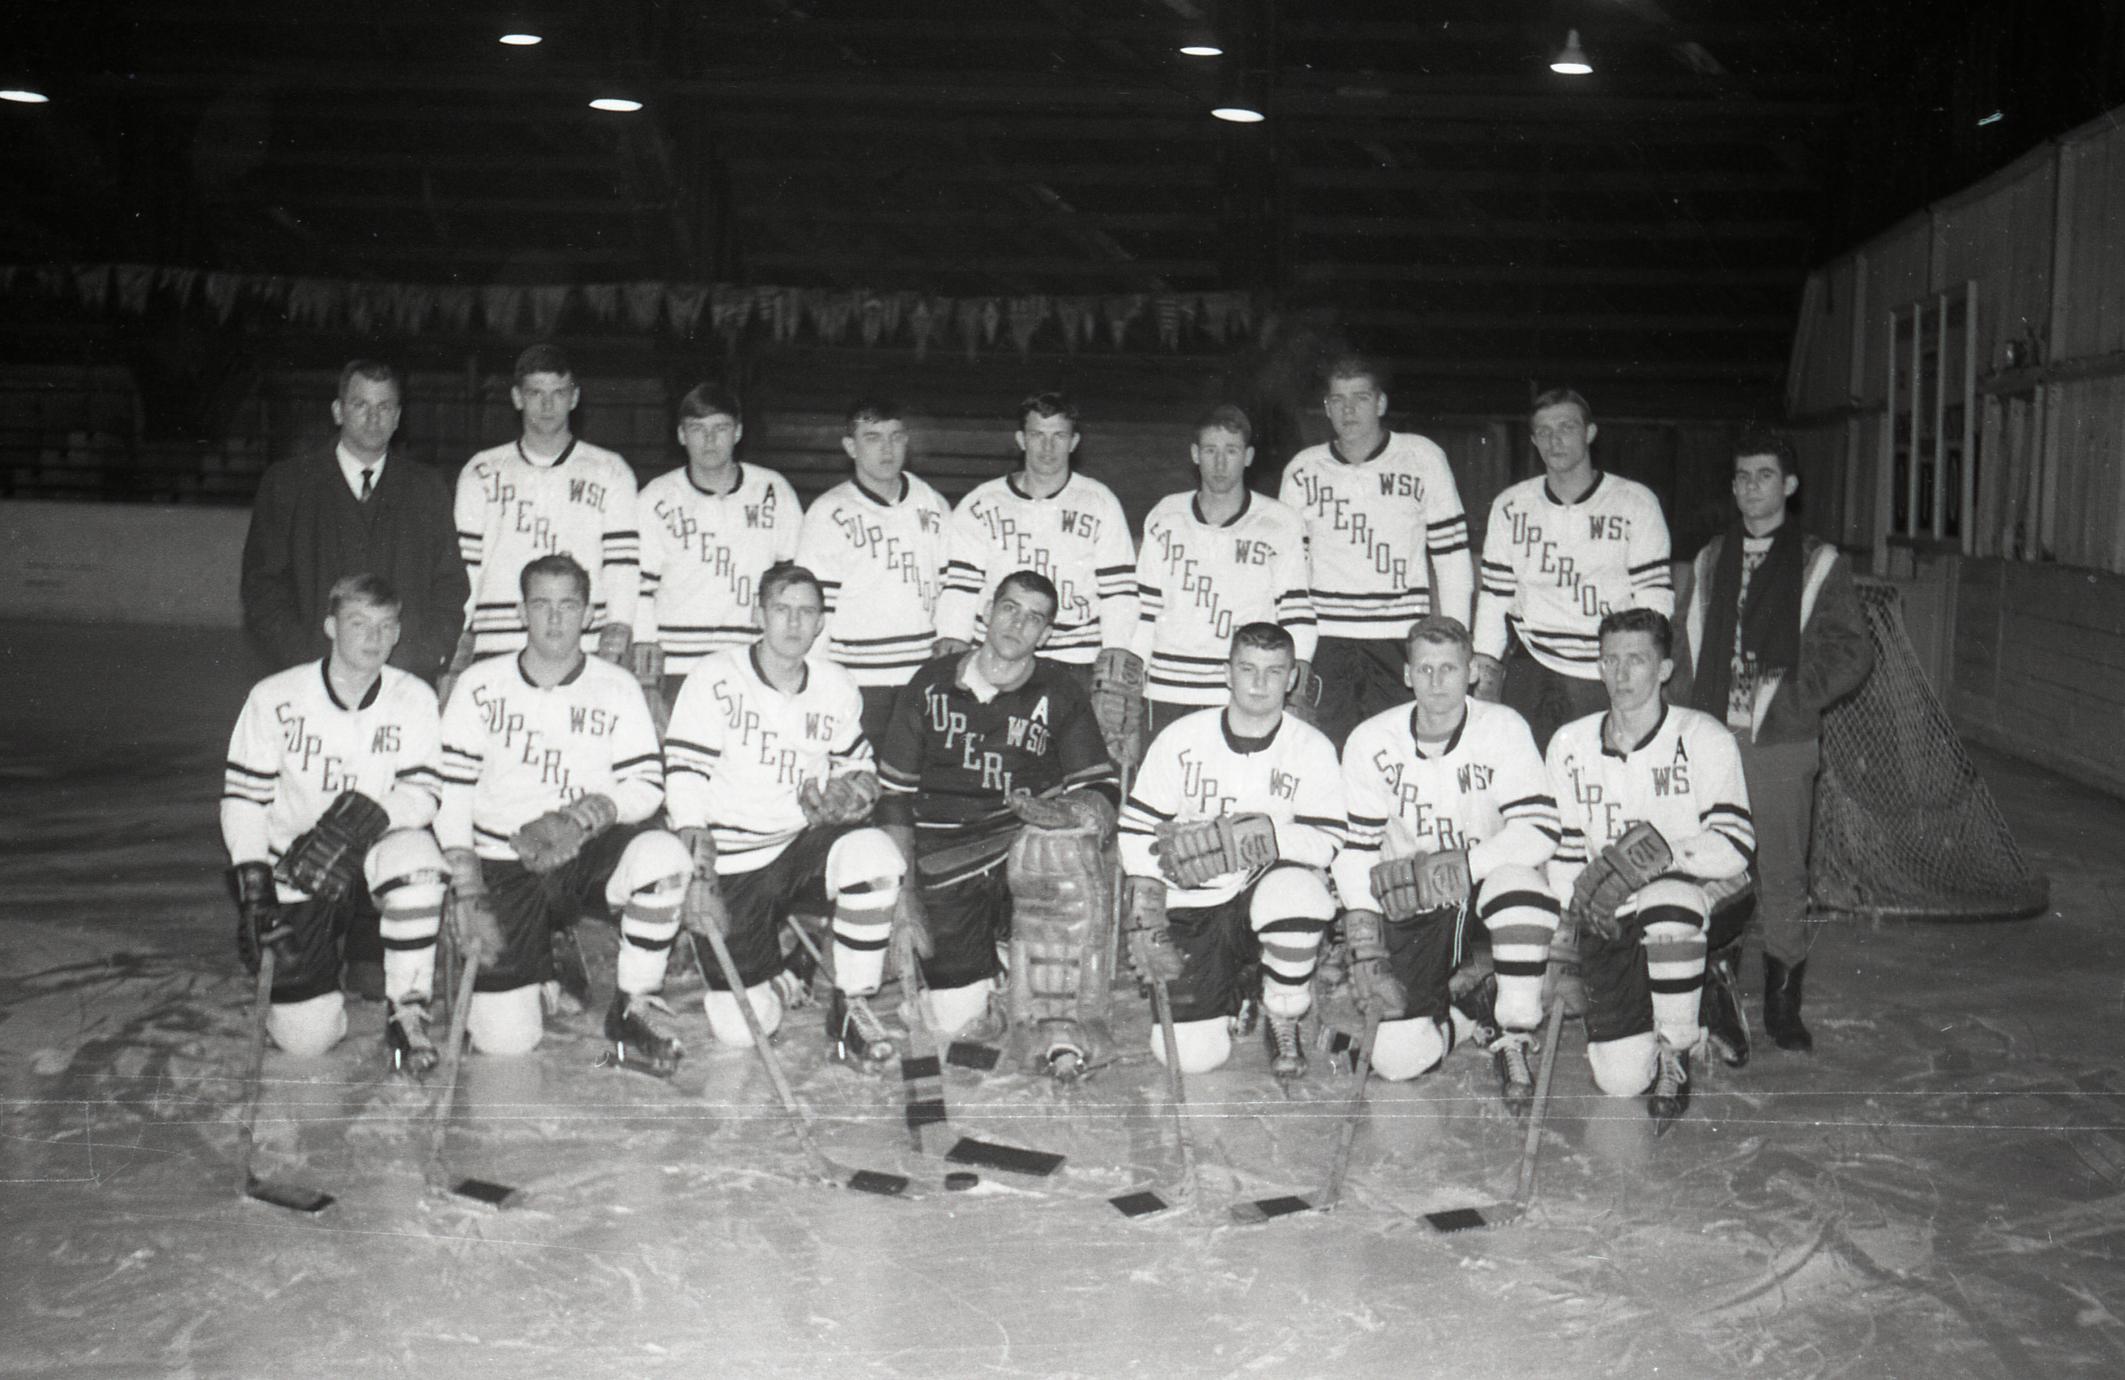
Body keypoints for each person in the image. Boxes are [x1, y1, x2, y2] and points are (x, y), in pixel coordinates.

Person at [434, 554, 687, 1067]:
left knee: (663, 855)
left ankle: (635, 1000)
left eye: (568, 605)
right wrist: (467, 888)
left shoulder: (616, 686)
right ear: (520, 611)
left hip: (585, 852)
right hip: (504, 861)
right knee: (506, 1041)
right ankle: (545, 960)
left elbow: (647, 784)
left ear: (589, 615)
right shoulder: (479, 684)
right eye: (541, 605)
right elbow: (451, 791)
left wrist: (585, 815)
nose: (554, 619)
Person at [875, 571, 1121, 1077]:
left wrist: (1071, 813)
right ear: (987, 610)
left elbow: (1101, 788)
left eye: (1035, 618)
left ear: (1047, 634)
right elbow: (894, 797)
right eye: (1010, 608)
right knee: (954, 1021)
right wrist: (904, 895)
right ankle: (997, 972)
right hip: (944, 853)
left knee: (1060, 850)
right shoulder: (931, 682)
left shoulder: (1059, 690)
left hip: (1023, 846)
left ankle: (1039, 989)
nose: (1018, 624)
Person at [662, 562, 908, 1066]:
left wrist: (852, 791)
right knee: (744, 1029)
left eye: (807, 612)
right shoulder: (714, 676)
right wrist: (698, 874)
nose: (794, 624)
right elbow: (684, 778)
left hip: (800, 846)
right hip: (731, 861)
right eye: (782, 610)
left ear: (821, 623)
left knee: (875, 853)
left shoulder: (836, 683)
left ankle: (849, 1002)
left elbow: (860, 764)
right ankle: (777, 971)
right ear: (759, 614)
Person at [1675, 431, 1873, 1057]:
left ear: (1788, 485)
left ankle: (1783, 1005)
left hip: (1779, 739)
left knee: (1782, 871)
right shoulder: (1711, 557)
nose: (1749, 487)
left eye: (1763, 475)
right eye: (1740, 477)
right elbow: (1687, 643)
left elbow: (1852, 651)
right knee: (1711, 863)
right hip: (1712, 733)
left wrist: (1790, 699)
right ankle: (1714, 990)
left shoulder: (1819, 561)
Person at [220, 574, 449, 1072]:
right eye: (359, 623)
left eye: (386, 626)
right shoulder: (274, 696)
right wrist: (255, 886)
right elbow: (244, 799)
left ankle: (407, 1010)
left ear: (398, 633)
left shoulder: (414, 697)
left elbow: (425, 793)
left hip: (372, 855)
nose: (373, 637)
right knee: (306, 1041)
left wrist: (360, 823)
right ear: (330, 626)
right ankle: (321, 987)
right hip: (299, 866)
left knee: (420, 864)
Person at [1334, 615, 1561, 1102]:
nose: (1437, 682)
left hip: (1485, 896)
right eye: (1425, 669)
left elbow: (1540, 830)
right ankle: (1472, 1010)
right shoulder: (1371, 740)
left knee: (1521, 888)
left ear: (1473, 673)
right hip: (1413, 900)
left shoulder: (1502, 726)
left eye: (1450, 668)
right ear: (1406, 674)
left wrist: (1464, 866)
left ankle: (1515, 1032)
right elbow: (1354, 849)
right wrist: (1363, 930)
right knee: (1395, 1062)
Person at [1546, 609, 1754, 1131]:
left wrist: (1652, 858)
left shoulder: (1702, 736)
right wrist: (1566, 935)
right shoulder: (1569, 744)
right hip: (1613, 910)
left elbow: (1736, 845)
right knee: (1618, 1080)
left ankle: (1678, 1048)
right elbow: (1568, 852)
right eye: (1610, 660)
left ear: (1664, 669)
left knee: (1666, 900)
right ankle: (1703, 994)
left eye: (1636, 660)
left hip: (1701, 894)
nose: (1621, 673)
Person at [1117, 623, 1344, 1079]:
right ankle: (1239, 987)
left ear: (1292, 679)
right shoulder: (1182, 737)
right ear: (1227, 673)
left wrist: (1253, 838)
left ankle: (1284, 1005)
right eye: (1248, 668)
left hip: (1260, 892)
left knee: (1301, 890)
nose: (1260, 683)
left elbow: (1329, 839)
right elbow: (1135, 827)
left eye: (1274, 671)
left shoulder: (1311, 747)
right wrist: (1149, 902)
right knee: (1190, 1057)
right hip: (1191, 901)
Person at [933, 392, 1140, 770]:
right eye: (1038, 434)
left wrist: (1112, 672)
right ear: (1021, 438)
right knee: (998, 764)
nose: (1047, 447)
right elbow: (961, 589)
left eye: (1058, 436)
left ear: (1074, 442)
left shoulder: (1099, 501)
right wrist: (952, 665)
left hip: (1075, 658)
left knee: (1076, 768)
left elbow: (1119, 593)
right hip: (999, 657)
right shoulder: (982, 503)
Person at [1278, 354, 1473, 750]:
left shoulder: (1423, 458)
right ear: (1327, 408)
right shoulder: (1303, 470)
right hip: (1327, 640)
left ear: (1381, 403)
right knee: (1323, 753)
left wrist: (1455, 641)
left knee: (1400, 752)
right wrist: (1294, 648)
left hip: (1398, 637)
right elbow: (1288, 572)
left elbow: (1452, 558)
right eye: (1339, 400)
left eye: (1361, 398)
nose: (1349, 410)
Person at [239, 359, 467, 683]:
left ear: (398, 417)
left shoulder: (427, 488)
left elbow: (450, 586)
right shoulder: (287, 485)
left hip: (403, 679)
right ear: (337, 411)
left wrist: (421, 658)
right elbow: (262, 588)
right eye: (361, 404)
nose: (373, 418)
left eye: (384, 406)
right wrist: (306, 661)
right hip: (309, 679)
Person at [1472, 388, 1673, 750]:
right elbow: (1495, 595)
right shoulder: (1511, 505)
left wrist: (1641, 673)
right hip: (1532, 665)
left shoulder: (1635, 502)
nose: (1555, 440)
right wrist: (1485, 678)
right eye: (1544, 431)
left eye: (1566, 427)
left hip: (1603, 672)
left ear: (1590, 432)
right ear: (1533, 440)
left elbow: (1654, 598)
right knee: (1529, 778)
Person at [451, 344, 640, 671]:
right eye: (536, 393)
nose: (548, 405)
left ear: (574, 397)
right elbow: (467, 563)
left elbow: (621, 562)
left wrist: (619, 623)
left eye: (558, 393)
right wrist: (460, 627)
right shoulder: (481, 470)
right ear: (517, 397)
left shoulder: (610, 470)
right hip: (497, 636)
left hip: (583, 637)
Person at [1132, 404, 1315, 742]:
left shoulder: (1280, 521)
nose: (1219, 463)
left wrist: (1294, 682)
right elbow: (1144, 611)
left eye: (1230, 451)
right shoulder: (1166, 514)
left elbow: (1297, 612)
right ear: (1194, 454)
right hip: (1168, 687)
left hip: (1244, 690)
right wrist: (1132, 685)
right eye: (1210, 450)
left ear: (1247, 456)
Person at [634, 383, 802, 711]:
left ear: (738, 432)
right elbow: (640, 587)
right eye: (698, 429)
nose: (709, 440)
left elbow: (794, 581)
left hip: (753, 658)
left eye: (720, 428)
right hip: (679, 663)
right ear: (682, 435)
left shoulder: (772, 489)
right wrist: (645, 649)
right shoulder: (656, 497)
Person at [795, 398, 952, 743]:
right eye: (873, 438)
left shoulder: (932, 503)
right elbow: (814, 609)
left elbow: (950, 591)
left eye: (896, 437)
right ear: (850, 446)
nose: (887, 449)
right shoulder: (828, 512)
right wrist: (816, 682)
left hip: (921, 675)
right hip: (858, 680)